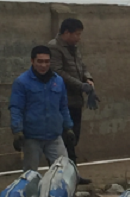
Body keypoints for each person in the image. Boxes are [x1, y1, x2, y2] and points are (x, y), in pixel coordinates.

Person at [9, 45, 76, 172]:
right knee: (30, 174)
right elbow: (16, 108)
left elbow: (63, 106)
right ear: (32, 61)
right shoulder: (22, 82)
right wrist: (17, 131)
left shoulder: (58, 81)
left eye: (47, 61)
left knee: (63, 171)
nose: (43, 65)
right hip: (32, 137)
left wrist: (68, 128)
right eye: (40, 61)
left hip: (54, 137)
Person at [48, 18, 96, 180]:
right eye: (77, 34)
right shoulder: (54, 47)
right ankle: (62, 176)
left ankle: (72, 174)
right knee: (64, 140)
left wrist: (88, 79)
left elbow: (82, 66)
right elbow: (58, 72)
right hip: (62, 102)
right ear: (67, 33)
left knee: (74, 138)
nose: (79, 38)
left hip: (75, 101)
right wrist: (81, 85)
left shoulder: (74, 48)